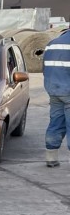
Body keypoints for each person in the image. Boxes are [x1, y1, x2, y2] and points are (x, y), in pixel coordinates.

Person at [43, 29, 70, 167]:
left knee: (56, 122)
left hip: (53, 90)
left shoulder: (52, 43)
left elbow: (44, 68)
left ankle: (51, 158)